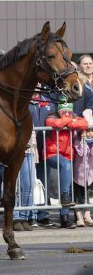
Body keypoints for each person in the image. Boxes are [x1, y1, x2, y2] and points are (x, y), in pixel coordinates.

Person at [41, 97, 88, 229]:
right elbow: (54, 123)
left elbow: (84, 124)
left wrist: (67, 122)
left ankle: (64, 218)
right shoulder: (51, 116)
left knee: (65, 184)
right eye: (63, 111)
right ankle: (65, 198)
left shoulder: (72, 117)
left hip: (68, 155)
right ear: (58, 111)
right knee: (66, 166)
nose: (66, 114)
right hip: (51, 154)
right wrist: (70, 121)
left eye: (69, 111)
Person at [73, 110, 93, 226]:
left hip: (89, 172)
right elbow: (81, 153)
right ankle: (78, 216)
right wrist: (84, 142)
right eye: (87, 131)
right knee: (78, 194)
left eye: (91, 131)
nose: (89, 134)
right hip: (78, 172)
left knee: (86, 194)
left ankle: (87, 214)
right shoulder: (77, 141)